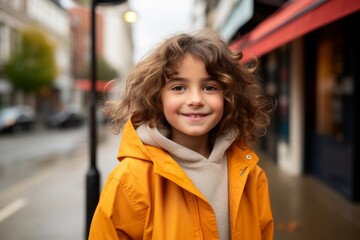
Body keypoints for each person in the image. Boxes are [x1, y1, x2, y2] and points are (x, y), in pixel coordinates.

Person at [89, 28, 274, 240]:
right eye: (178, 87)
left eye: (210, 87)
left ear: (228, 96)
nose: (195, 99)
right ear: (157, 97)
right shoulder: (129, 181)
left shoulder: (251, 175)